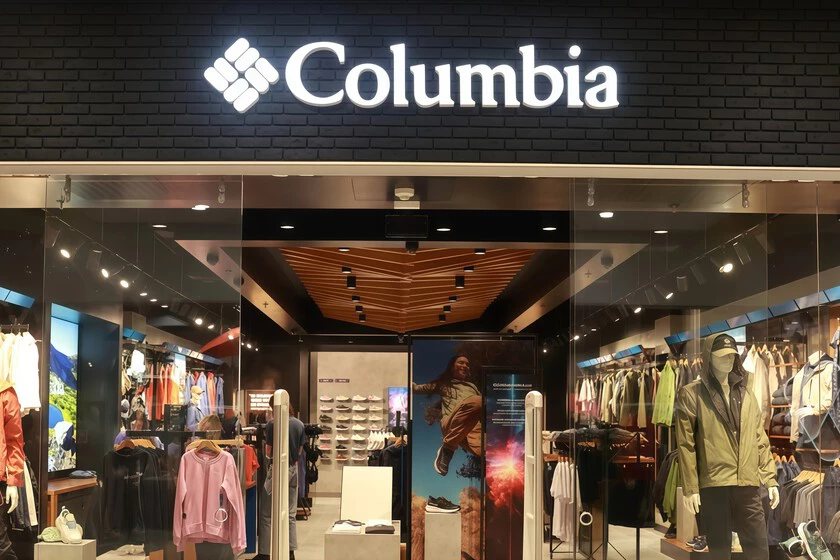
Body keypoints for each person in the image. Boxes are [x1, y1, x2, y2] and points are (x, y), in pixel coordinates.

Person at [413, 354, 482, 477]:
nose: (465, 366)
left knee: (493, 453)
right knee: (478, 401)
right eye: (461, 362)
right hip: (452, 424)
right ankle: (448, 449)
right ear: (452, 366)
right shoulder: (444, 384)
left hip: (473, 430)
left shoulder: (472, 387)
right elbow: (419, 389)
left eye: (467, 364)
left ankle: (450, 446)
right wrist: (409, 383)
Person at [255, 396, 306, 560]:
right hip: (292, 469)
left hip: (276, 469)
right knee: (290, 513)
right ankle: (290, 551)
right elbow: (300, 451)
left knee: (266, 513)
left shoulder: (273, 424)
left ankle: (264, 552)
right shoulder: (299, 424)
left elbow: (269, 450)